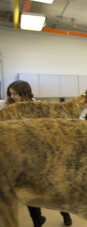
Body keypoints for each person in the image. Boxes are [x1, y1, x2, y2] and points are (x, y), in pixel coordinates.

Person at [6, 80, 73, 227]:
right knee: (30, 192)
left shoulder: (39, 106)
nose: (12, 97)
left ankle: (65, 214)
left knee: (54, 189)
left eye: (15, 94)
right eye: (11, 94)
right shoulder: (9, 108)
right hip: (23, 156)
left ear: (25, 93)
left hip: (44, 154)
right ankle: (37, 220)